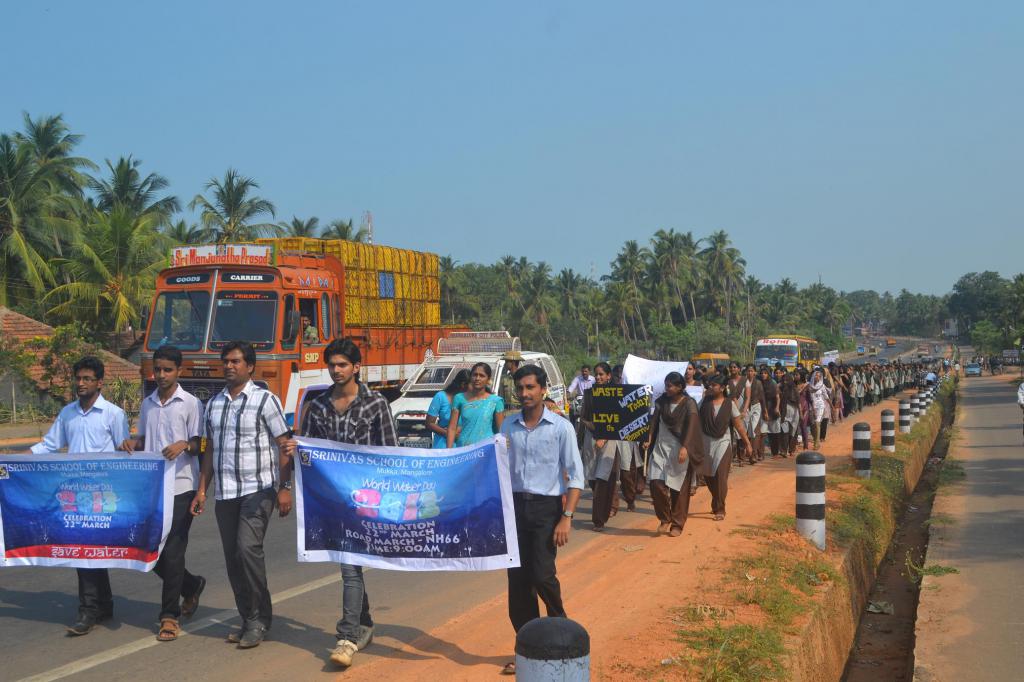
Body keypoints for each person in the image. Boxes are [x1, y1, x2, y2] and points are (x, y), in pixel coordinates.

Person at [286, 338, 399, 668]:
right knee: (350, 562)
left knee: (350, 564)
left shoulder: (376, 404)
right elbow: (308, 450)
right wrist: (296, 452)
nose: (336, 370)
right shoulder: (318, 407)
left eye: (342, 365)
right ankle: (363, 624)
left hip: (365, 499)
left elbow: (389, 453)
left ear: (356, 367)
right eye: (332, 365)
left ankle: (347, 636)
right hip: (332, 500)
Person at [192, 341, 294, 649]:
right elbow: (209, 451)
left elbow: (284, 444)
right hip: (225, 493)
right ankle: (249, 617)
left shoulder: (265, 401)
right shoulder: (214, 404)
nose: (229, 366)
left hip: (258, 489)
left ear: (249, 366)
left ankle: (259, 619)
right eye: (226, 361)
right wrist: (201, 490)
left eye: (235, 361)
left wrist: (284, 488)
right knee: (233, 559)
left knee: (247, 548)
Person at [32, 356, 130, 636]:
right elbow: (49, 445)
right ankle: (98, 606)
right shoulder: (68, 414)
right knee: (82, 551)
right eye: (78, 378)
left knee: (94, 550)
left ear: (100, 382)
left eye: (87, 379)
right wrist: (15, 460)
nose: (81, 383)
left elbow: (122, 454)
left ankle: (90, 609)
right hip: (75, 494)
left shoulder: (113, 414)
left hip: (103, 495)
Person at [499, 364, 585, 676]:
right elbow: (499, 470)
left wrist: (567, 517)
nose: (524, 393)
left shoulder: (561, 428)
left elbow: (576, 477)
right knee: (518, 582)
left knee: (543, 575)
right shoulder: (508, 426)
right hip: (514, 509)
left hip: (547, 509)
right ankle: (527, 650)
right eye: (520, 388)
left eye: (530, 387)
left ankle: (563, 638)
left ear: (543, 389)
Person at [119, 345, 206, 641]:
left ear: (178, 371)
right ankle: (191, 586)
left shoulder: (191, 403)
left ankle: (169, 616)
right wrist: (133, 444)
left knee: (173, 550)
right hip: (154, 487)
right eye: (158, 369)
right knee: (149, 549)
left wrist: (185, 445)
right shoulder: (148, 404)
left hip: (182, 485)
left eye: (168, 369)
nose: (161, 375)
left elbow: (201, 445)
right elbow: (144, 440)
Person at [645, 372, 704, 536]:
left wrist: (685, 447)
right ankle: (665, 518)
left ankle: (677, 524)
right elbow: (654, 421)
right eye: (666, 385)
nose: (667, 389)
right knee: (656, 483)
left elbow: (692, 426)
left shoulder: (689, 404)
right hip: (660, 448)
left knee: (679, 488)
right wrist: (649, 439)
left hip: (679, 449)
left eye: (670, 386)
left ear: (680, 387)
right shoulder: (661, 402)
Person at [698, 374, 752, 521]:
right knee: (709, 477)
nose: (711, 387)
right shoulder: (704, 402)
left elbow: (738, 426)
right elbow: (694, 417)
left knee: (721, 476)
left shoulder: (729, 404)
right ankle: (716, 500)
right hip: (705, 442)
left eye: (714, 385)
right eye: (710, 384)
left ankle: (720, 509)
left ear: (722, 388)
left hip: (723, 442)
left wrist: (747, 443)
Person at [578, 363, 620, 530]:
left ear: (609, 376)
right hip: (591, 437)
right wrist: (583, 438)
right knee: (592, 478)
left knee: (603, 478)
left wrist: (604, 435)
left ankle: (599, 519)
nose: (600, 377)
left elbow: (618, 417)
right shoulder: (589, 393)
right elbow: (584, 417)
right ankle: (605, 506)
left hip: (609, 438)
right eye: (597, 375)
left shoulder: (616, 394)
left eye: (602, 374)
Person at [447, 362, 505, 448]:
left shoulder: (495, 401)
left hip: (486, 449)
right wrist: (449, 451)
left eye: (482, 376)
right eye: (475, 375)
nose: (477, 378)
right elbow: (452, 428)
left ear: (488, 379)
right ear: (470, 377)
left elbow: (501, 431)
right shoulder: (459, 398)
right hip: (464, 448)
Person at [425, 369, 470, 448]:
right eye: (471, 386)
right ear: (463, 385)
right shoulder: (440, 396)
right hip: (442, 444)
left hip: (464, 444)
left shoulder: (470, 399)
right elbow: (429, 423)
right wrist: (448, 434)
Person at [498, 350, 523, 415]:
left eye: (506, 361)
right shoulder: (504, 378)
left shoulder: (523, 378)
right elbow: (501, 397)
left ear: (513, 363)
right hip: (507, 412)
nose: (505, 364)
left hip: (521, 411)